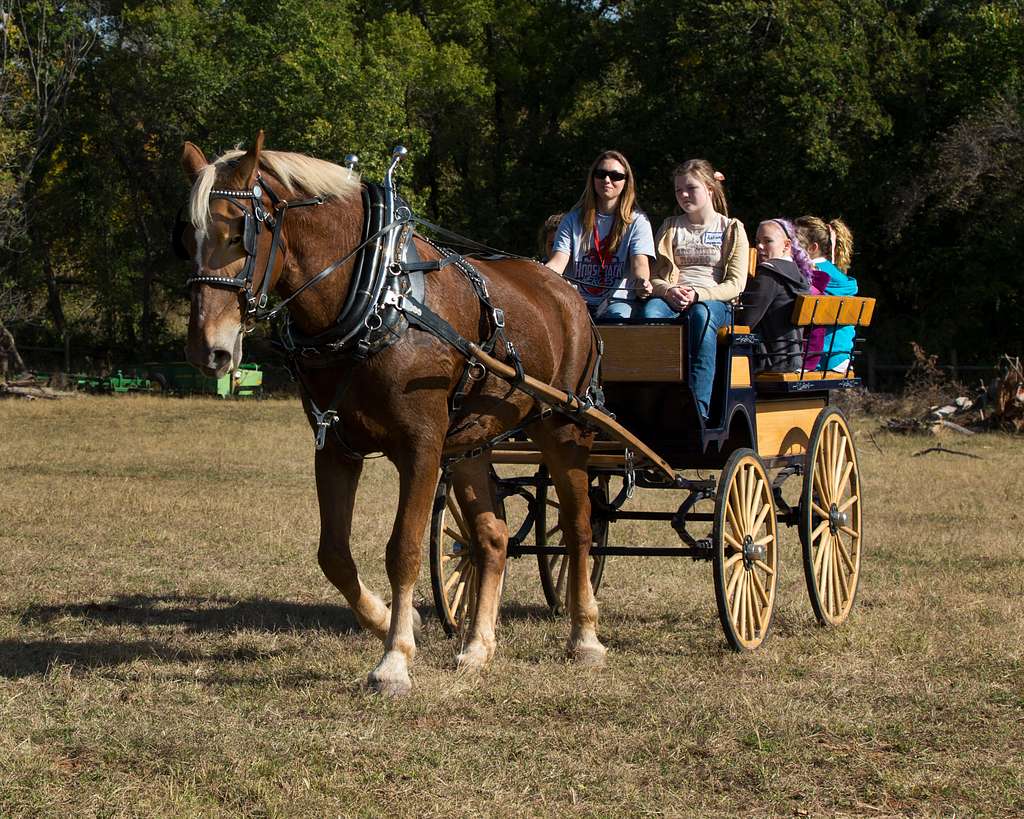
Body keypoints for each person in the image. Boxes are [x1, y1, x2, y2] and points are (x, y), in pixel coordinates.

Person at [642, 159, 749, 421]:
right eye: (679, 190)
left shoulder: (731, 228)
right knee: (649, 313)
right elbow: (653, 278)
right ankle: (653, 403)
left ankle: (697, 410)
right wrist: (667, 291)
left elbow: (736, 284)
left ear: (710, 189)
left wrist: (699, 294)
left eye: (691, 188)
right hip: (672, 298)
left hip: (714, 302)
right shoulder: (670, 227)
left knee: (702, 316)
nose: (684, 195)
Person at [545, 151, 654, 320]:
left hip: (618, 301)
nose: (607, 180)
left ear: (626, 182)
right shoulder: (572, 219)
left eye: (616, 176)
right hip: (576, 300)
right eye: (601, 174)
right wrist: (536, 274)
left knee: (617, 318)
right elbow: (557, 262)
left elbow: (640, 264)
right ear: (592, 178)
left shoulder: (638, 221)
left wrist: (642, 282)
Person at [737, 218, 816, 372]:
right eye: (757, 241)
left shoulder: (769, 274)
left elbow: (746, 322)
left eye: (767, 241)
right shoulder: (798, 275)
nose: (759, 246)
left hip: (767, 361)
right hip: (793, 359)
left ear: (786, 245)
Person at [794, 216, 858, 372]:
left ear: (812, 248)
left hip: (817, 359)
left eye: (795, 245)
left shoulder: (809, 274)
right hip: (842, 357)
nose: (790, 249)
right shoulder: (840, 277)